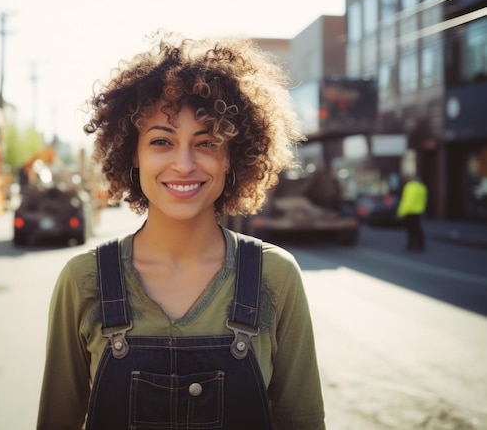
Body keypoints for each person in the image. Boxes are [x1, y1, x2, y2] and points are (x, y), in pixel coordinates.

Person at [36, 31, 326, 430]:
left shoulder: (276, 277)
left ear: (232, 157)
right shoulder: (82, 281)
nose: (184, 164)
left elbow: (303, 422)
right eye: (161, 141)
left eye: (206, 142)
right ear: (132, 155)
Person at [397, 174, 428, 251]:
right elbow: (424, 200)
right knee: (417, 228)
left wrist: (401, 212)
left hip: (409, 211)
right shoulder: (422, 187)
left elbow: (406, 201)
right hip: (418, 211)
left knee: (410, 230)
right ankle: (420, 245)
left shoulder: (409, 187)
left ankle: (411, 245)